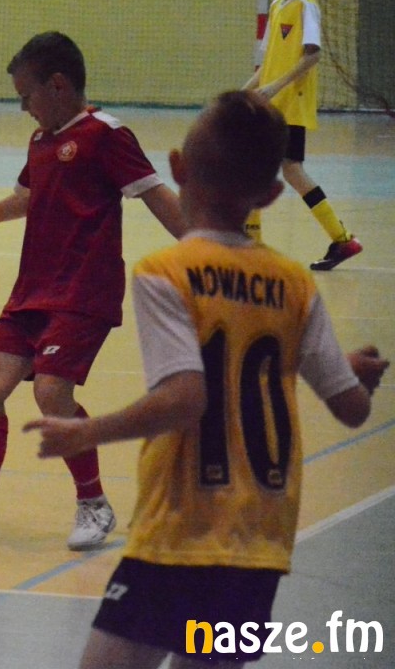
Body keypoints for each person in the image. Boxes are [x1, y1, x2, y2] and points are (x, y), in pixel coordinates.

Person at [25, 90, 387, 668]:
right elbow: (351, 408)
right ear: (271, 194)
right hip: (261, 541)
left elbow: (185, 398)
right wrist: (354, 375)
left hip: (180, 530)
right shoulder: (294, 283)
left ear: (177, 168)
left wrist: (88, 431)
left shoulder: (167, 272)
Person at [0, 32, 187, 552]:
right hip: (32, 292)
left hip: (83, 292)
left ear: (57, 85)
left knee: (52, 391)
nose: (23, 108)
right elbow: (27, 198)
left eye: (26, 95)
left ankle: (93, 504)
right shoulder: (40, 141)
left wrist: (208, 245)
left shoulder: (105, 135)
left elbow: (156, 196)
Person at [243, 0, 362, 271]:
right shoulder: (277, 6)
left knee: (268, 168)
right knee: (289, 171)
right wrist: (244, 92)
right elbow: (268, 64)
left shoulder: (306, 6)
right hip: (273, 105)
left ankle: (253, 246)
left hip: (290, 103)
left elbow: (312, 56)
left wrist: (274, 88)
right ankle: (342, 240)